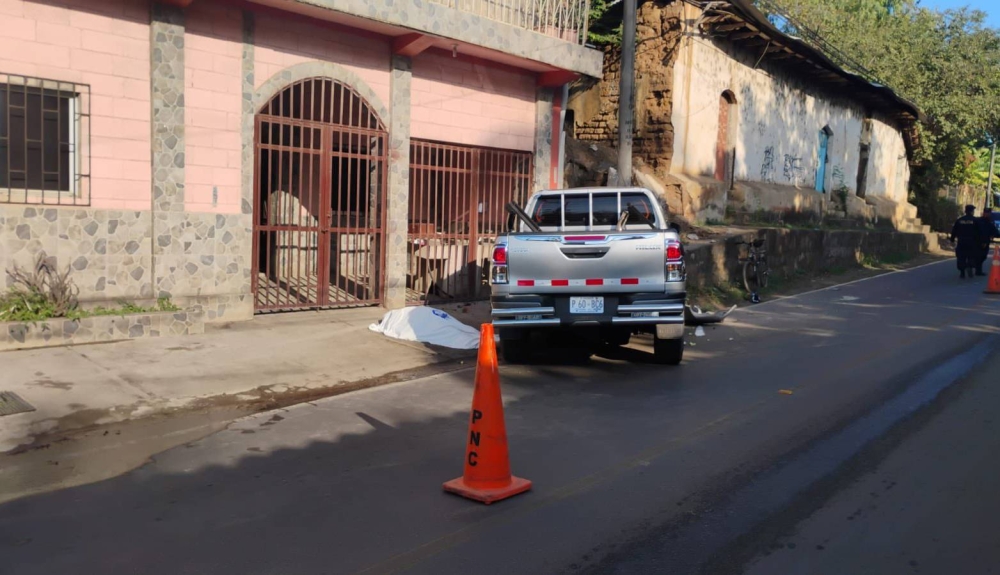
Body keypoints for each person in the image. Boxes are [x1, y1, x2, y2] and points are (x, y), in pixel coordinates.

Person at [951, 205, 982, 279]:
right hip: (972, 242)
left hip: (961, 241)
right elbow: (980, 232)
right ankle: (969, 266)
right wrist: (981, 241)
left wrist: (952, 239)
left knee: (961, 257)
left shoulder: (959, 220)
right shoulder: (975, 220)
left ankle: (962, 273)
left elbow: (954, 230)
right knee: (971, 256)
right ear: (972, 211)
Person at [975, 207, 1000, 276]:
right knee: (981, 256)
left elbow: (995, 232)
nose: (988, 214)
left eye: (988, 213)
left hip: (983, 241)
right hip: (981, 242)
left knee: (982, 256)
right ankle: (977, 270)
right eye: (987, 213)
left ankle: (977, 269)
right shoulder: (980, 221)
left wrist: (995, 235)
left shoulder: (988, 222)